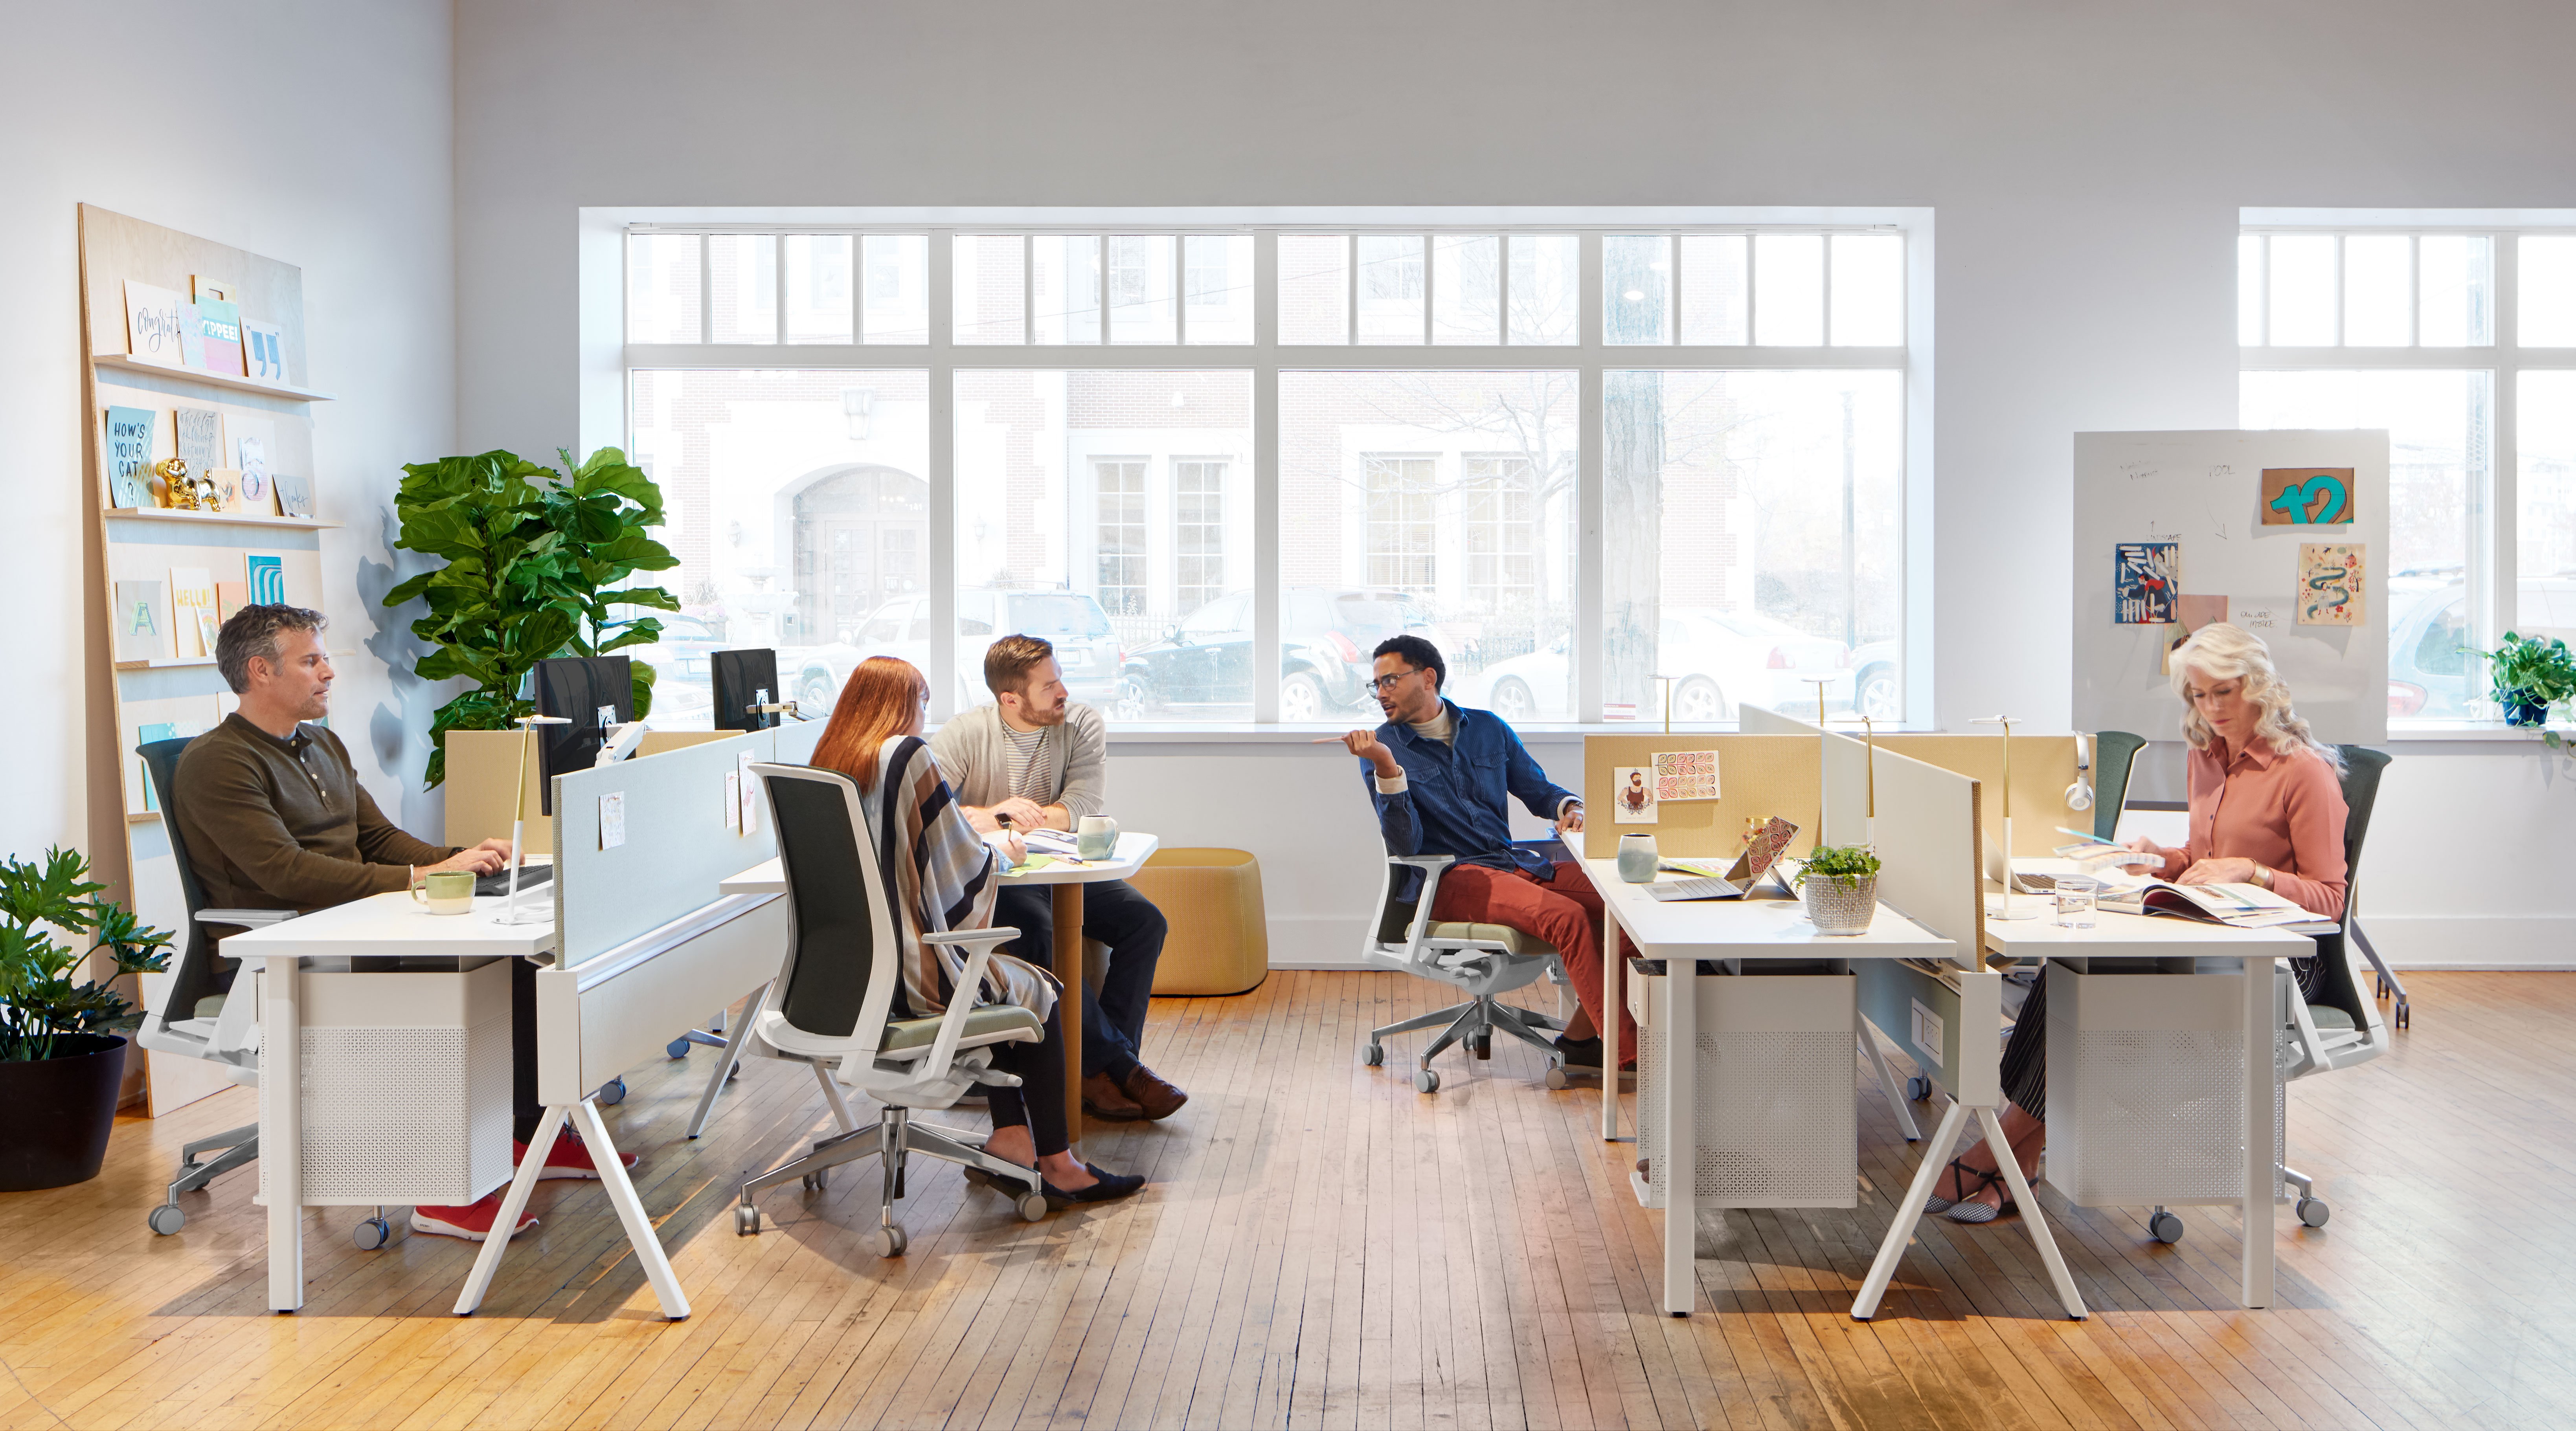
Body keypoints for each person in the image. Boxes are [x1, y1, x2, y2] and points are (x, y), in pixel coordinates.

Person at [171, 604, 625, 1244]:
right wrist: (422, 880)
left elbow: (376, 837)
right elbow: (284, 871)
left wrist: (464, 858)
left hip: (362, 916)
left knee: (523, 965)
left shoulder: (318, 742)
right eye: (311, 660)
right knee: (462, 984)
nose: (329, 671)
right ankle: (442, 1192)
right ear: (259, 672)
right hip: (293, 946)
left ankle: (524, 1137)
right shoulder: (217, 762)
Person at [1930, 622, 2348, 1224]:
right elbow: (2204, 860)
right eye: (2198, 696)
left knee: (2098, 993)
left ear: (2258, 685)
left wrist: (2254, 871)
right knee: (2068, 969)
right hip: (2203, 936)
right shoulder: (2207, 758)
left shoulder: (2302, 772)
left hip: (2278, 962)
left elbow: (2328, 899)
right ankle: (2015, 1165)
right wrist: (2160, 858)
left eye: (2222, 693)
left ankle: (2000, 1145)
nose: (2210, 709)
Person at [813, 655, 1144, 1209]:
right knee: (1036, 987)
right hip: (910, 979)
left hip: (840, 983)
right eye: (919, 702)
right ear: (899, 707)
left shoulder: (833, 766)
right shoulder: (905, 756)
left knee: (999, 974)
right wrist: (1002, 851)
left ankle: (1013, 1138)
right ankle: (1060, 1164)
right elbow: (956, 863)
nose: (924, 715)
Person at [1330, 634, 1635, 1075]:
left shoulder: (1488, 728)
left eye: (1390, 680)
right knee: (1566, 917)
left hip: (1510, 864)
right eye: (1374, 685)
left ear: (1428, 677)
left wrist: (1570, 807)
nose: (1380, 693)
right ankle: (1628, 1057)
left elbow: (1538, 789)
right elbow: (1404, 845)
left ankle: (1583, 1039)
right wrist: (1386, 768)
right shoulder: (1381, 747)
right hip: (1452, 880)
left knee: (1622, 905)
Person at [931, 635, 1183, 1123]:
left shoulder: (1081, 723)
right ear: (1010, 699)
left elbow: (1083, 806)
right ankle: (1117, 1072)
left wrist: (1024, 819)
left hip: (1065, 869)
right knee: (1038, 928)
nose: (1062, 691)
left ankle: (1103, 1069)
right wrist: (996, 813)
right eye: (1049, 686)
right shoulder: (964, 734)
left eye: (1059, 678)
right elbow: (933, 812)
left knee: (1145, 922)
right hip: (998, 883)